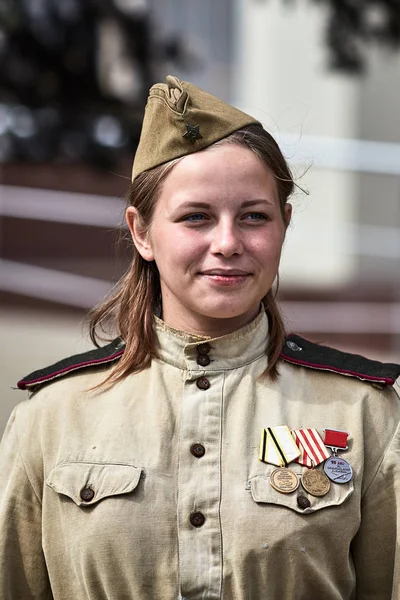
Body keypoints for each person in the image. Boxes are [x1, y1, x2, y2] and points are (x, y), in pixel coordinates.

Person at [0, 75, 399, 600]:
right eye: (196, 218)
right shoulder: (51, 416)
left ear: (285, 225)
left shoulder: (363, 412)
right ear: (141, 232)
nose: (228, 243)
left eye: (254, 216)